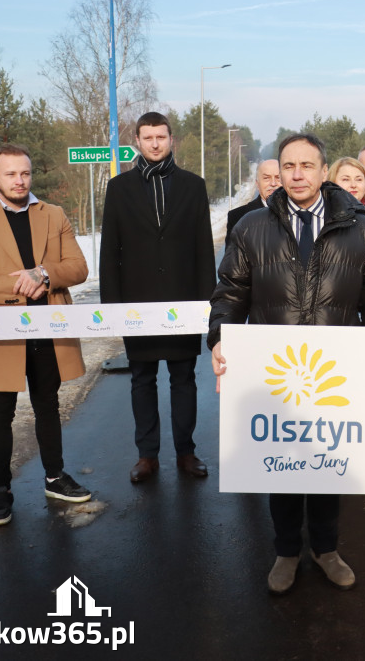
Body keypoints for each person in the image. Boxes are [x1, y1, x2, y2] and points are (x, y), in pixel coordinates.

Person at [208, 133, 365, 595]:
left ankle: (327, 549)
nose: (296, 175)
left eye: (306, 166)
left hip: (336, 369)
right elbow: (230, 293)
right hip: (276, 370)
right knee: (282, 465)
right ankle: (287, 550)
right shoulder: (251, 227)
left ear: (322, 170)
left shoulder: (360, 227)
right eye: (288, 166)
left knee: (329, 462)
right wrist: (218, 338)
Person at [0, 143, 92, 526]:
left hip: (48, 325)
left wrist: (44, 275)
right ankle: (1, 490)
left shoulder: (54, 214)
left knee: (48, 402)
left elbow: (78, 267)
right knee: (0, 412)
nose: (19, 180)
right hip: (0, 330)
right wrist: (23, 285)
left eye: (25, 173)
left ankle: (54, 477)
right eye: (11, 174)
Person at [99, 112, 216, 483]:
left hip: (183, 302)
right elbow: (109, 252)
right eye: (147, 137)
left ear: (171, 140)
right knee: (141, 380)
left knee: (184, 380)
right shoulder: (119, 189)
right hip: (137, 304)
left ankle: (186, 452)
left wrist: (206, 305)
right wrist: (113, 309)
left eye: (161, 137)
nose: (154, 143)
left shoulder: (193, 186)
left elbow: (203, 249)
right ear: (137, 140)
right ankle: (147, 455)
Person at [225, 159, 280, 241]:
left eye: (278, 178)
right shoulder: (237, 217)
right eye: (266, 178)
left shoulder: (300, 215)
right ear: (257, 184)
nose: (273, 183)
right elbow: (233, 253)